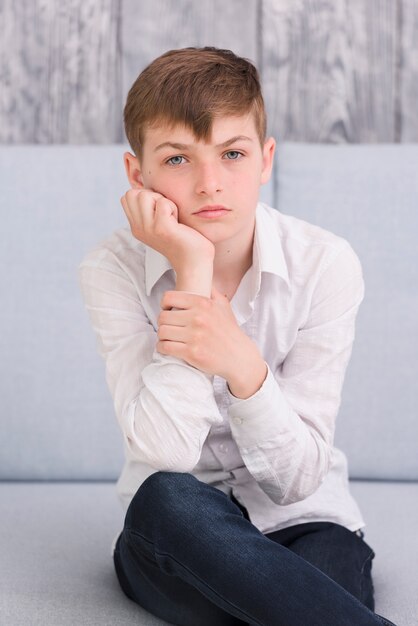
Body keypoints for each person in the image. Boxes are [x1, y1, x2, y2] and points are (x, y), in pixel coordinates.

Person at [78, 47, 397, 626]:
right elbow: (166, 455)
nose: (209, 184)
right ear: (136, 174)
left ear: (265, 159)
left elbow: (300, 477)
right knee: (165, 496)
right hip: (175, 530)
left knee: (318, 576)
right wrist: (193, 276)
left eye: (232, 154)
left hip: (306, 516)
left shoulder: (325, 264)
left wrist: (244, 368)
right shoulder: (111, 269)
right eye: (178, 159)